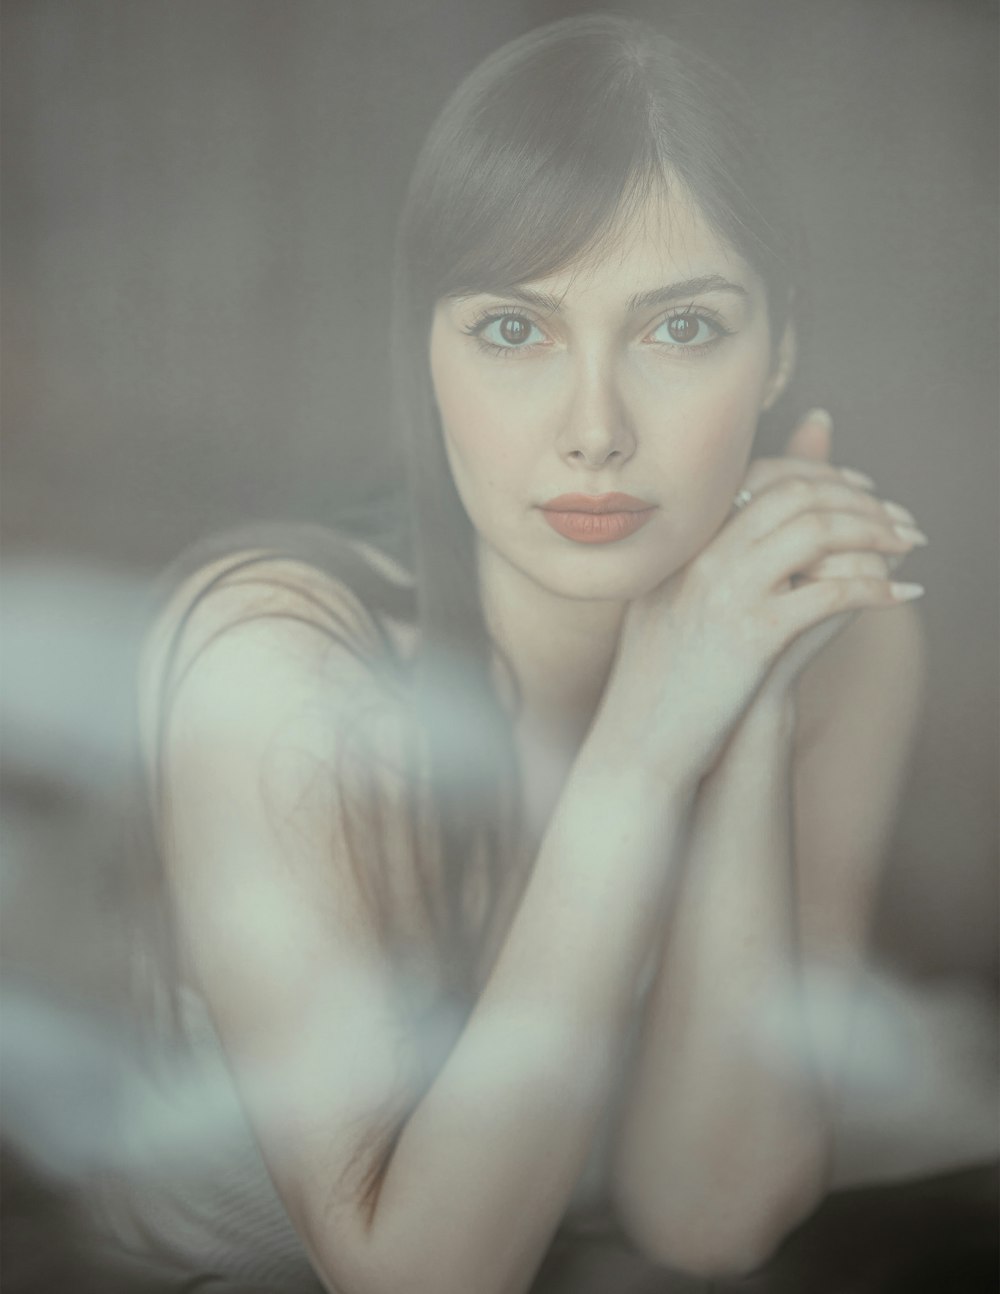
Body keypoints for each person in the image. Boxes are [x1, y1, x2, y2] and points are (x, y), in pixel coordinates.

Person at [85, 12, 928, 1293]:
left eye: (681, 328)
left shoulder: (846, 637)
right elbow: (415, 1277)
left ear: (782, 350)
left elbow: (708, 1216)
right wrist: (647, 740)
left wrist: (744, 697)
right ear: (427, 351)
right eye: (514, 330)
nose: (594, 429)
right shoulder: (274, 665)